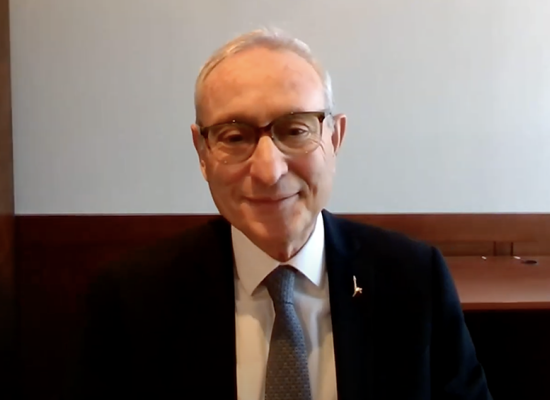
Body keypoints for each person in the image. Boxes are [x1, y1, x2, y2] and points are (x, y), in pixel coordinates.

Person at [68, 28, 492, 400]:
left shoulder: (414, 278)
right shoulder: (131, 299)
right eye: (235, 137)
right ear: (202, 153)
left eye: (294, 131)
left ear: (335, 137)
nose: (269, 171)